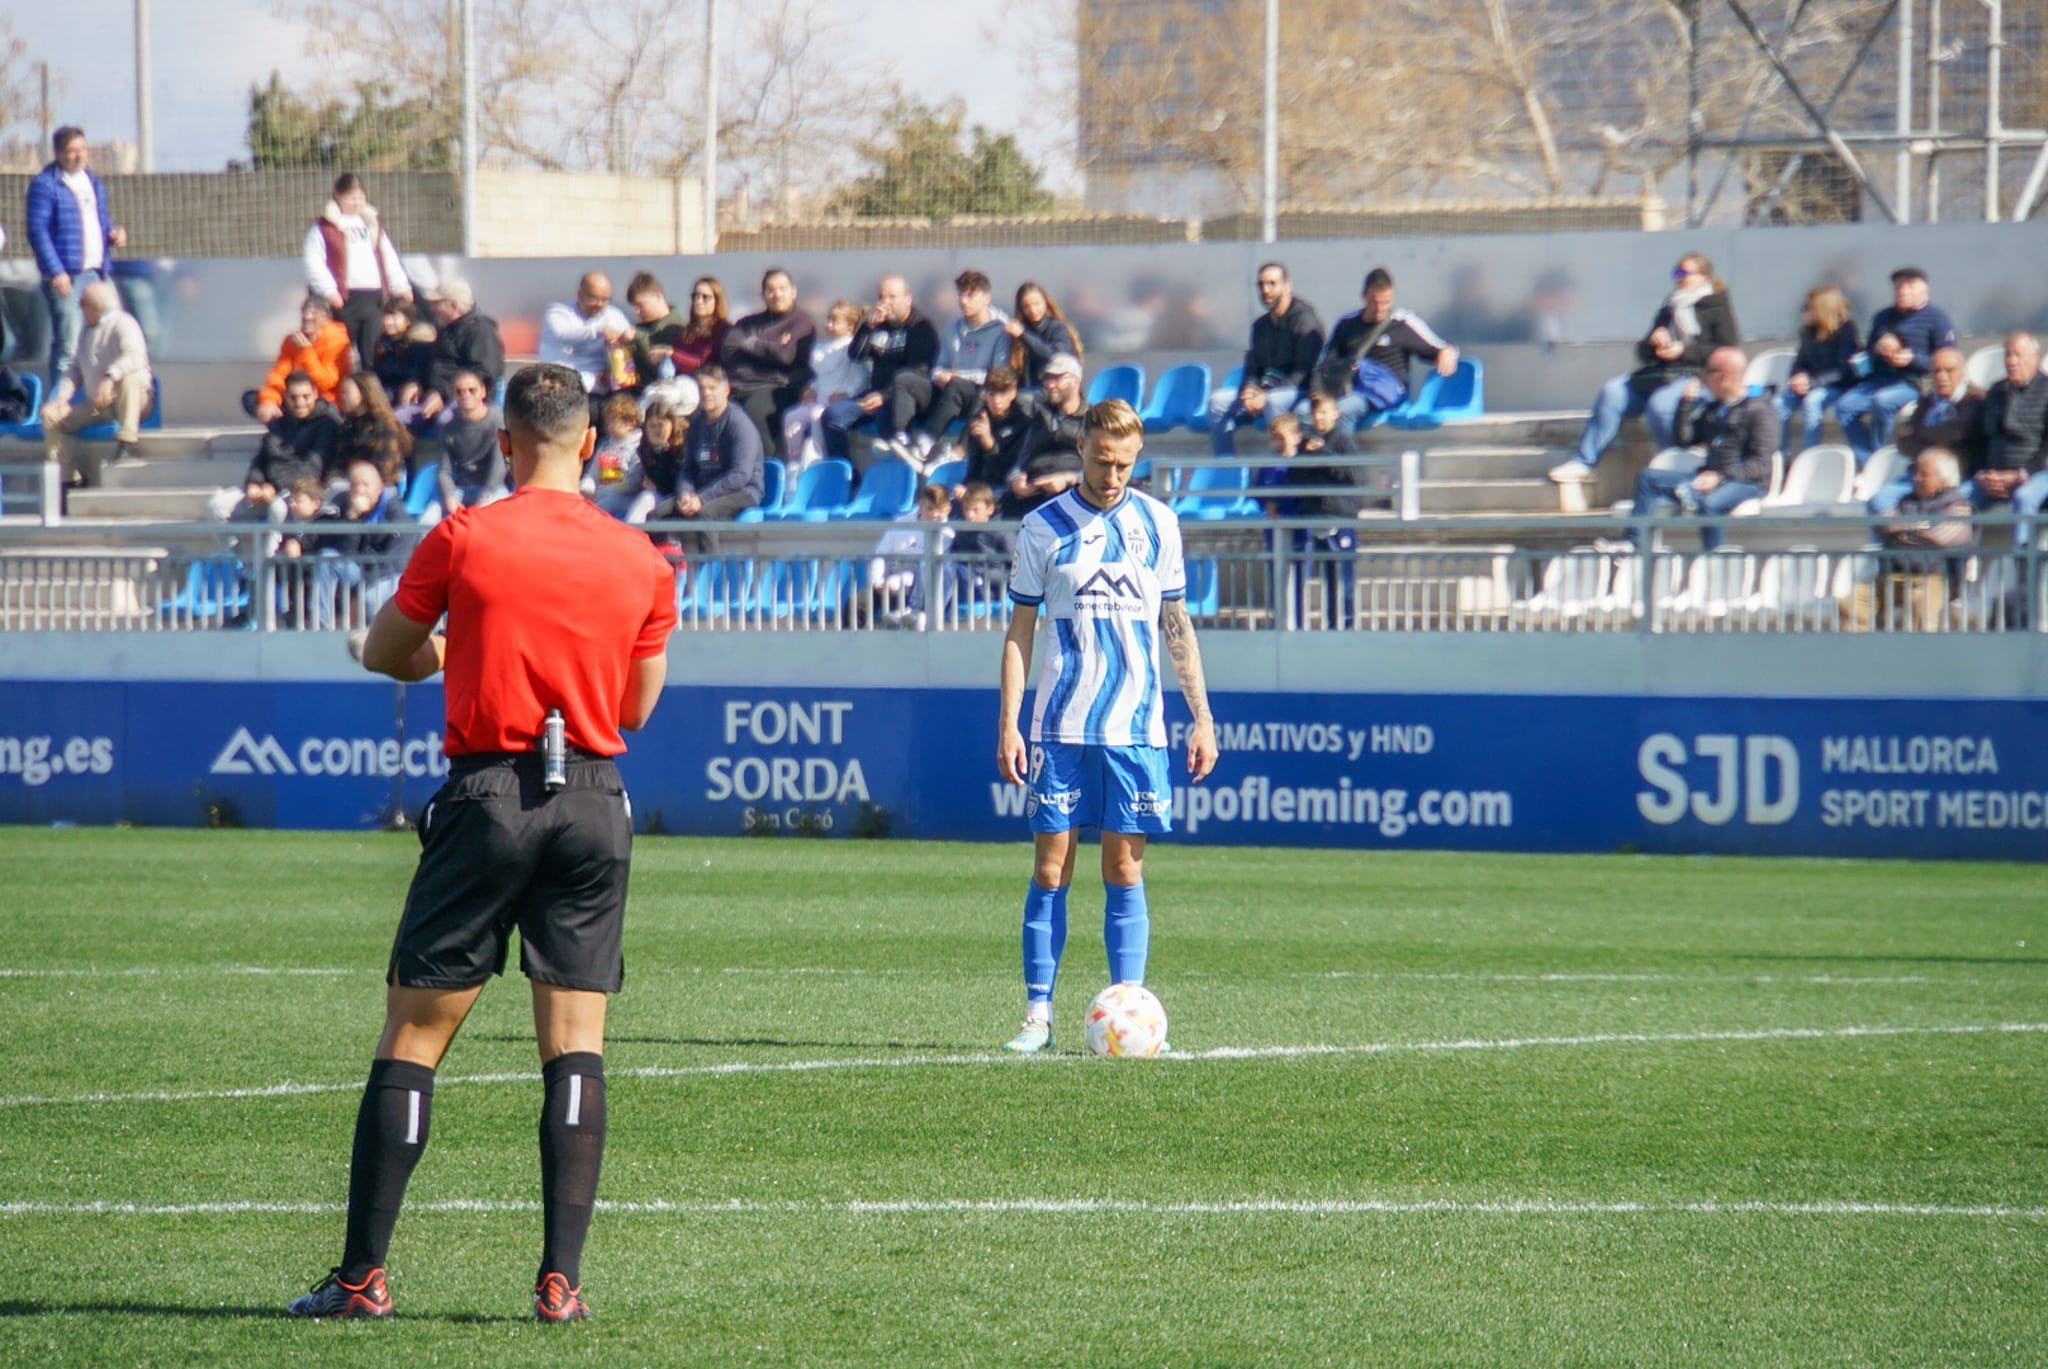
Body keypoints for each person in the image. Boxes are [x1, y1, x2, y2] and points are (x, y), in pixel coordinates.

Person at [289, 361, 675, 1323]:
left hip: (487, 792)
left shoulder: (463, 535)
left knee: (416, 1035)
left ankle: (362, 1278)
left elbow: (386, 654)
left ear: (505, 442)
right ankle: (560, 1283)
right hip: (592, 796)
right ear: (592, 443)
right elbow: (635, 705)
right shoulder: (642, 558)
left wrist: (457, 651)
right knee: (576, 1044)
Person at [996, 398, 1219, 1053]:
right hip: (1060, 726)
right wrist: (1009, 722)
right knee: (1051, 868)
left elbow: (1176, 626)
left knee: (1124, 868)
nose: (1113, 472)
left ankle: (1131, 1012)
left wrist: (1202, 717)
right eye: (1102, 458)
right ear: (1083, 449)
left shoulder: (1160, 524)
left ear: (1137, 455)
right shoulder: (1043, 526)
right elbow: (1020, 631)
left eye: (1124, 462)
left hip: (1136, 728)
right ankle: (1037, 1016)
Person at [1550, 251, 1739, 483]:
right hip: (1659, 374)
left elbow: (1727, 349)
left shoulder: (1716, 304)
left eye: (1684, 273)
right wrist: (1654, 341)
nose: (1678, 279)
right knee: (1613, 391)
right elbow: (1642, 352)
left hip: (1695, 376)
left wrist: (1685, 351)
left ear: (1703, 277)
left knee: (1660, 405)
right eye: (1675, 273)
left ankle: (1673, 466)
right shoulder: (1671, 305)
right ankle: (1584, 461)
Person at [1627, 346, 1779, 551]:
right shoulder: (1713, 409)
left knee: (1710, 503)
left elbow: (1759, 464)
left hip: (1746, 483)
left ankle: (1712, 558)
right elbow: (1683, 441)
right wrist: (1685, 404)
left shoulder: (1759, 410)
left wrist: (1720, 477)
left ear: (1723, 376)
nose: (1703, 378)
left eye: (1707, 372)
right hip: (1709, 478)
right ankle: (1635, 545)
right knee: (1648, 478)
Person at [25, 126, 128, 389]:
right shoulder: (46, 184)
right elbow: (38, 231)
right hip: (68, 277)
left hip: (97, 273)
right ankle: (59, 410)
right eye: (71, 151)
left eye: (82, 149)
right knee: (69, 344)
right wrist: (56, 271)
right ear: (59, 153)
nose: (78, 156)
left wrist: (113, 233)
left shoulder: (92, 182)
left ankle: (102, 404)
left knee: (111, 337)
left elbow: (98, 221)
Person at [1834, 267, 1958, 463]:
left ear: (1925, 291)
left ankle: (1880, 458)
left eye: (1910, 286)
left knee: (1883, 401)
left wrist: (1912, 358)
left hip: (1915, 381)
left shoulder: (1937, 319)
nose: (1903, 291)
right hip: (1879, 378)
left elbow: (1947, 358)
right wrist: (1878, 349)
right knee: (1844, 406)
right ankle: (1870, 460)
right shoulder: (1882, 317)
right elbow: (1869, 352)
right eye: (1899, 286)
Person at [1314, 267, 1458, 433]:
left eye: (1386, 302)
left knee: (1341, 411)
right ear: (1364, 296)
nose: (1380, 308)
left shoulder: (1402, 323)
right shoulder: (1347, 324)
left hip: (1386, 392)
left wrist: (1447, 351)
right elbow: (1326, 361)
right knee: (1306, 411)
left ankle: (1345, 457)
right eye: (1375, 302)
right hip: (1349, 388)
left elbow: (1436, 348)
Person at [1847, 448, 1976, 632]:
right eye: (1916, 473)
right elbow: (1884, 526)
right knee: (1850, 602)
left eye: (1924, 474)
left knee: (1921, 604)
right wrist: (1920, 528)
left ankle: (1920, 657)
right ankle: (1858, 654)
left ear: (1943, 479)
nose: (1916, 478)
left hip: (1934, 577)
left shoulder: (1959, 505)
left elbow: (1940, 538)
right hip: (1893, 575)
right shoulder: (1906, 501)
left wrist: (1903, 531)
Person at [39, 279, 153, 488]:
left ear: (96, 307)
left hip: (132, 401)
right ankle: (68, 478)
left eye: (83, 304)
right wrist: (61, 398)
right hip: (98, 408)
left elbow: (135, 357)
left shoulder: (124, 323)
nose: (80, 309)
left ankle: (128, 440)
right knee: (50, 417)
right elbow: (74, 369)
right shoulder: (86, 332)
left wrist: (110, 377)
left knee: (130, 378)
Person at [1206, 262, 1324, 457]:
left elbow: (1304, 371)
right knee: (1216, 402)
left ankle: (1280, 469)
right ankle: (1225, 468)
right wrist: (1249, 390)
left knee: (1273, 401)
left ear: (1287, 285)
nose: (1266, 290)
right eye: (1261, 284)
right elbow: (1253, 365)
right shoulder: (1260, 326)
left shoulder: (1305, 321)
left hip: (1297, 390)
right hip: (1265, 392)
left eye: (1272, 283)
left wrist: (1265, 394)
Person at [823, 275, 939, 471]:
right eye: (881, 297)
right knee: (832, 416)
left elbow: (918, 373)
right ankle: (848, 478)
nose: (885, 303)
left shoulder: (921, 328)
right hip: (873, 394)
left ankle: (899, 477)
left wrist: (885, 396)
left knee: (886, 415)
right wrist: (867, 328)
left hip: (902, 397)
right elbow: (855, 356)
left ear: (907, 299)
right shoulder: (877, 326)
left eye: (892, 297)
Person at [303, 173, 413, 367]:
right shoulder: (324, 228)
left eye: (361, 197)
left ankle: (371, 390)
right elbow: (314, 262)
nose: (356, 203)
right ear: (337, 196)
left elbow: (388, 256)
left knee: (372, 350)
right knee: (340, 350)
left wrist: (400, 286)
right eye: (351, 197)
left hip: (373, 297)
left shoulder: (371, 224)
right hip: (343, 299)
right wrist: (328, 291)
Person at [899, 269, 1008, 461]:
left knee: (960, 386)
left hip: (979, 394)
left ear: (987, 298)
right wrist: (940, 376)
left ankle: (931, 442)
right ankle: (901, 438)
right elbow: (938, 367)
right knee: (905, 379)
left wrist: (960, 377)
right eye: (961, 294)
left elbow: (998, 376)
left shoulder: (1001, 330)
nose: (963, 301)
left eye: (970, 295)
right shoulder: (951, 330)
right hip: (948, 391)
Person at [1867, 347, 1982, 512]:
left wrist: (1922, 433)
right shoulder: (1927, 400)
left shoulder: (1975, 399)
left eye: (1949, 370)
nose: (1942, 377)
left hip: (1958, 477)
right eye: (1936, 371)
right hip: (1919, 476)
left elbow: (1957, 434)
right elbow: (1904, 440)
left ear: (1963, 372)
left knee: (1947, 506)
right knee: (1878, 501)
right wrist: (1933, 451)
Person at [720, 267, 816, 460]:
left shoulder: (801, 321)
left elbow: (786, 357)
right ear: (763, 294)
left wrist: (752, 343)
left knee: (755, 413)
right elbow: (728, 349)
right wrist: (771, 348)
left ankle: (770, 470)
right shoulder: (748, 322)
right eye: (771, 290)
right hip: (742, 386)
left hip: (781, 387)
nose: (777, 294)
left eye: (782, 288)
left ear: (793, 291)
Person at [306, 458, 413, 630]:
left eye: (365, 485)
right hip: (361, 572)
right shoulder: (347, 506)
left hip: (388, 576)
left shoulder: (394, 511)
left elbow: (397, 559)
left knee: (369, 600)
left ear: (379, 489)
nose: (360, 491)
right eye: (355, 485)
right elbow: (347, 554)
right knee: (327, 558)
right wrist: (353, 518)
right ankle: (321, 625)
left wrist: (364, 587)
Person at [1969, 331, 2048, 544]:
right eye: (2008, 355)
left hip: (2037, 473)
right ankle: (1957, 568)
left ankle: (2023, 566)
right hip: (1995, 475)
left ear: (2036, 357)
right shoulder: (1996, 392)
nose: (2011, 361)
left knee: (2024, 497)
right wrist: (1984, 474)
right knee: (1959, 497)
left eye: (2018, 355)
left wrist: (2022, 473)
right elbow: (1981, 439)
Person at [672, 364, 764, 526]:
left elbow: (740, 475)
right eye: (701, 388)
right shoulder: (696, 422)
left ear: (726, 390)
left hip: (743, 492)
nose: (706, 393)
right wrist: (686, 492)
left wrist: (702, 498)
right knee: (658, 514)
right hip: (703, 490)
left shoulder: (739, 424)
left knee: (704, 514)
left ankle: (711, 553)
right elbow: (687, 469)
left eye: (712, 388)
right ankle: (672, 552)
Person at [782, 300, 867, 469]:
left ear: (850, 326)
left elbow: (862, 376)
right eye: (828, 319)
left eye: (835, 320)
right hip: (818, 399)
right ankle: (794, 461)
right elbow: (820, 377)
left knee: (817, 417)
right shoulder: (822, 348)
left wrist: (848, 393)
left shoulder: (851, 348)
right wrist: (811, 388)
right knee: (792, 416)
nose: (828, 324)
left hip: (833, 403)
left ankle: (819, 459)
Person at [1000, 354, 1087, 518]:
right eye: (1047, 378)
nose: (1049, 384)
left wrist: (1069, 479)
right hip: (1034, 492)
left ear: (1075, 380)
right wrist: (1016, 481)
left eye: (1056, 378)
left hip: (1072, 493)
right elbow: (1023, 456)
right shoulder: (1038, 416)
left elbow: (1101, 466)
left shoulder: (1091, 419)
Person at [1778, 285, 1860, 454]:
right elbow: (1800, 361)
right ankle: (1782, 456)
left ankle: (1809, 455)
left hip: (1837, 385)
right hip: (1810, 382)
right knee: (1778, 404)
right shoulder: (1808, 332)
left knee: (1812, 401)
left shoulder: (1846, 331)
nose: (1804, 310)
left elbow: (1844, 369)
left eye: (1809, 307)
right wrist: (1797, 376)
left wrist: (1812, 382)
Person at [248, 295, 353, 421]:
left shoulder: (337, 339)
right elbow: (278, 374)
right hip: (295, 397)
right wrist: (269, 400)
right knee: (252, 398)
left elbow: (326, 383)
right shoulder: (292, 340)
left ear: (326, 319)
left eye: (314, 313)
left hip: (324, 400)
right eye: (305, 312)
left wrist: (306, 352)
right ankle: (282, 424)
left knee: (320, 406)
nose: (307, 317)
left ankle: (288, 426)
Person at [868, 483, 953, 627]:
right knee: (859, 602)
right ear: (920, 504)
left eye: (939, 510)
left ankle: (916, 613)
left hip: (918, 588)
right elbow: (880, 554)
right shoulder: (901, 523)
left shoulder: (948, 533)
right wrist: (877, 581)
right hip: (889, 584)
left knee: (925, 566)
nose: (934, 515)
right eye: (930, 509)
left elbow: (925, 568)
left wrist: (895, 581)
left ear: (948, 509)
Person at [419, 279, 504, 423]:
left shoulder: (481, 331)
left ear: (453, 306)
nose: (432, 309)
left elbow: (484, 372)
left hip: (466, 398)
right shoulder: (446, 330)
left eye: (436, 303)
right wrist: (414, 382)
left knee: (445, 421)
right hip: (435, 393)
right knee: (401, 417)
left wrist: (443, 394)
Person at [425, 371, 507, 517]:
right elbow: (444, 470)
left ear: (483, 391)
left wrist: (485, 496)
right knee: (428, 517)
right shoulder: (448, 428)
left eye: (472, 390)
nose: (466, 395)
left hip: (494, 489)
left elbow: (499, 466)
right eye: (459, 392)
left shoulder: (497, 422)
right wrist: (449, 497)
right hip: (461, 489)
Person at [540, 272, 633, 398]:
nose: (599, 304)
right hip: (563, 389)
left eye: (605, 300)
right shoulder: (558, 313)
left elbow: (629, 347)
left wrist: (613, 370)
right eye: (594, 298)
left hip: (600, 390)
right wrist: (598, 331)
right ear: (580, 295)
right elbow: (562, 334)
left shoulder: (614, 316)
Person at [334, 373, 414, 493]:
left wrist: (356, 482)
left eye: (347, 392)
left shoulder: (385, 425)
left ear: (364, 393)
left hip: (378, 488)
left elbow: (384, 470)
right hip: (349, 483)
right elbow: (338, 463)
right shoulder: (349, 425)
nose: (342, 397)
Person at [961, 365, 1031, 493]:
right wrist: (965, 488)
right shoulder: (979, 420)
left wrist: (990, 445)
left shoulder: (1023, 422)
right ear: (985, 395)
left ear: (1013, 393)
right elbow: (974, 467)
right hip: (982, 489)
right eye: (992, 394)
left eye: (1002, 394)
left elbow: (1009, 472)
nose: (996, 400)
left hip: (1009, 489)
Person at [1005, 281, 1082, 390]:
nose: (1032, 310)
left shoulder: (1058, 328)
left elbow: (1055, 356)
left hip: (1057, 388)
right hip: (1029, 388)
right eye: (1026, 306)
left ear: (1046, 303)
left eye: (1037, 304)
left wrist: (1023, 335)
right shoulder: (1021, 331)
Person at [947, 481, 1010, 614]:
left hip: (991, 588)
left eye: (975, 510)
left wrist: (986, 575)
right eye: (966, 509)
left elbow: (1018, 572)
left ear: (990, 509)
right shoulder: (960, 532)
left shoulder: (1003, 533)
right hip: (964, 584)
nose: (970, 515)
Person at [580, 393, 645, 521]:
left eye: (613, 421)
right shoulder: (604, 446)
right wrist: (587, 488)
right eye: (608, 421)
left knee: (608, 502)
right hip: (599, 494)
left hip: (623, 498)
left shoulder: (638, 446)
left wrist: (612, 487)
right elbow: (592, 474)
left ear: (630, 423)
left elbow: (634, 480)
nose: (609, 426)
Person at [629, 401, 688, 526]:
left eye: (661, 425)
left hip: (678, 496)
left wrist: (663, 452)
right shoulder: (644, 449)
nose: (657, 430)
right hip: (658, 495)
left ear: (671, 424)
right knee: (644, 499)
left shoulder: (682, 446)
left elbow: (674, 481)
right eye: (652, 426)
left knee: (647, 499)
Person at [371, 299, 432, 411]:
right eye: (385, 316)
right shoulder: (384, 342)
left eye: (394, 317)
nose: (387, 322)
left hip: (406, 397)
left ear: (408, 320)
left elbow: (416, 375)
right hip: (386, 392)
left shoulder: (418, 343)